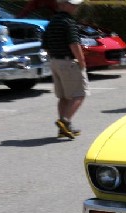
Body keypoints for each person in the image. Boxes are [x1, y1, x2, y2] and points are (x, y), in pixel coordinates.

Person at [41, 0, 88, 140]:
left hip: (55, 61)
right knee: (80, 94)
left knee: (63, 96)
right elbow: (74, 43)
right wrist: (82, 62)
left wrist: (54, 59)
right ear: (63, 5)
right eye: (73, 4)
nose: (76, 6)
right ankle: (65, 121)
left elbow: (45, 45)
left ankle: (64, 128)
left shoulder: (52, 22)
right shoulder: (69, 22)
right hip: (68, 62)